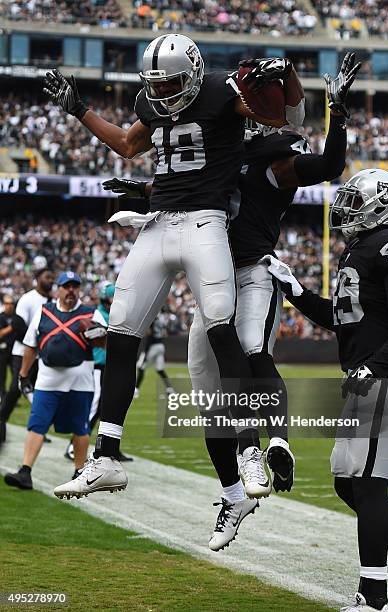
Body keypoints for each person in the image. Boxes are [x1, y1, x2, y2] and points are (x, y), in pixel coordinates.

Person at [102, 53, 362, 551]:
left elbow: (326, 161)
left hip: (252, 271)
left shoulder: (273, 158)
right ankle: (234, 495)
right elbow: (181, 185)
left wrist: (338, 111)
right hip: (212, 278)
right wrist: (141, 194)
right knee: (212, 403)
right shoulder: (220, 147)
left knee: (250, 352)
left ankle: (271, 443)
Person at [45, 34, 306, 499]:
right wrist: (79, 109)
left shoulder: (223, 92)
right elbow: (127, 145)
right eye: (156, 85)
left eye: (171, 84)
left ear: (194, 72)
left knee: (222, 328)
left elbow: (278, 118)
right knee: (122, 333)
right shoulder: (153, 99)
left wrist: (284, 74)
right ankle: (105, 456)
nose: (163, 93)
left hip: (206, 222)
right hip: (158, 222)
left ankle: (248, 449)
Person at [268, 169, 388, 612]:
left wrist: (376, 368)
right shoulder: (358, 250)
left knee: (368, 484)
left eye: (355, 198)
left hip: (384, 378)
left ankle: (374, 597)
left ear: (382, 203)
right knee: (347, 484)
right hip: (364, 378)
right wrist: (295, 290)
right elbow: (341, 317)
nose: (345, 207)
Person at [4, 272, 107, 491]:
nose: (70, 290)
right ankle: (25, 471)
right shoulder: (44, 312)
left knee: (80, 427)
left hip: (79, 380)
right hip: (47, 380)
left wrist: (100, 336)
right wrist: (23, 375)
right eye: (66, 286)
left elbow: (105, 343)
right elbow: (30, 345)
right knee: (37, 424)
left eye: (74, 286)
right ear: (58, 289)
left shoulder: (91, 313)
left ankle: (80, 473)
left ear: (78, 290)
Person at [64, 282, 133, 463]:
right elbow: (102, 336)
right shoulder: (98, 315)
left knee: (110, 408)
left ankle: (111, 447)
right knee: (95, 407)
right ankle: (73, 445)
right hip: (98, 366)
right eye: (112, 298)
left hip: (108, 365)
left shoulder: (110, 315)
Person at [0, 268, 55, 443]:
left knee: (40, 391)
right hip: (22, 352)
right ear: (37, 279)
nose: (50, 280)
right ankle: (1, 420)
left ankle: (38, 430)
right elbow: (17, 323)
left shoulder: (53, 301)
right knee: (16, 390)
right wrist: (36, 338)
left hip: (42, 354)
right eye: (47, 276)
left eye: (52, 277)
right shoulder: (28, 298)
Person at [134, 317, 174, 398]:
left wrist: (145, 351)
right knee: (160, 370)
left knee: (141, 367)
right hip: (161, 345)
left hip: (153, 346)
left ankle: (136, 390)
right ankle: (170, 389)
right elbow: (165, 332)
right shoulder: (159, 320)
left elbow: (150, 335)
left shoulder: (151, 320)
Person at [0, 295, 26, 405]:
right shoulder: (1, 317)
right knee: (2, 376)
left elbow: (23, 332)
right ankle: (3, 397)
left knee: (15, 377)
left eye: (11, 304)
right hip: (2, 350)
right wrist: (11, 327)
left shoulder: (17, 317)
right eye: (7, 303)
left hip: (14, 351)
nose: (9, 306)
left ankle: (12, 399)